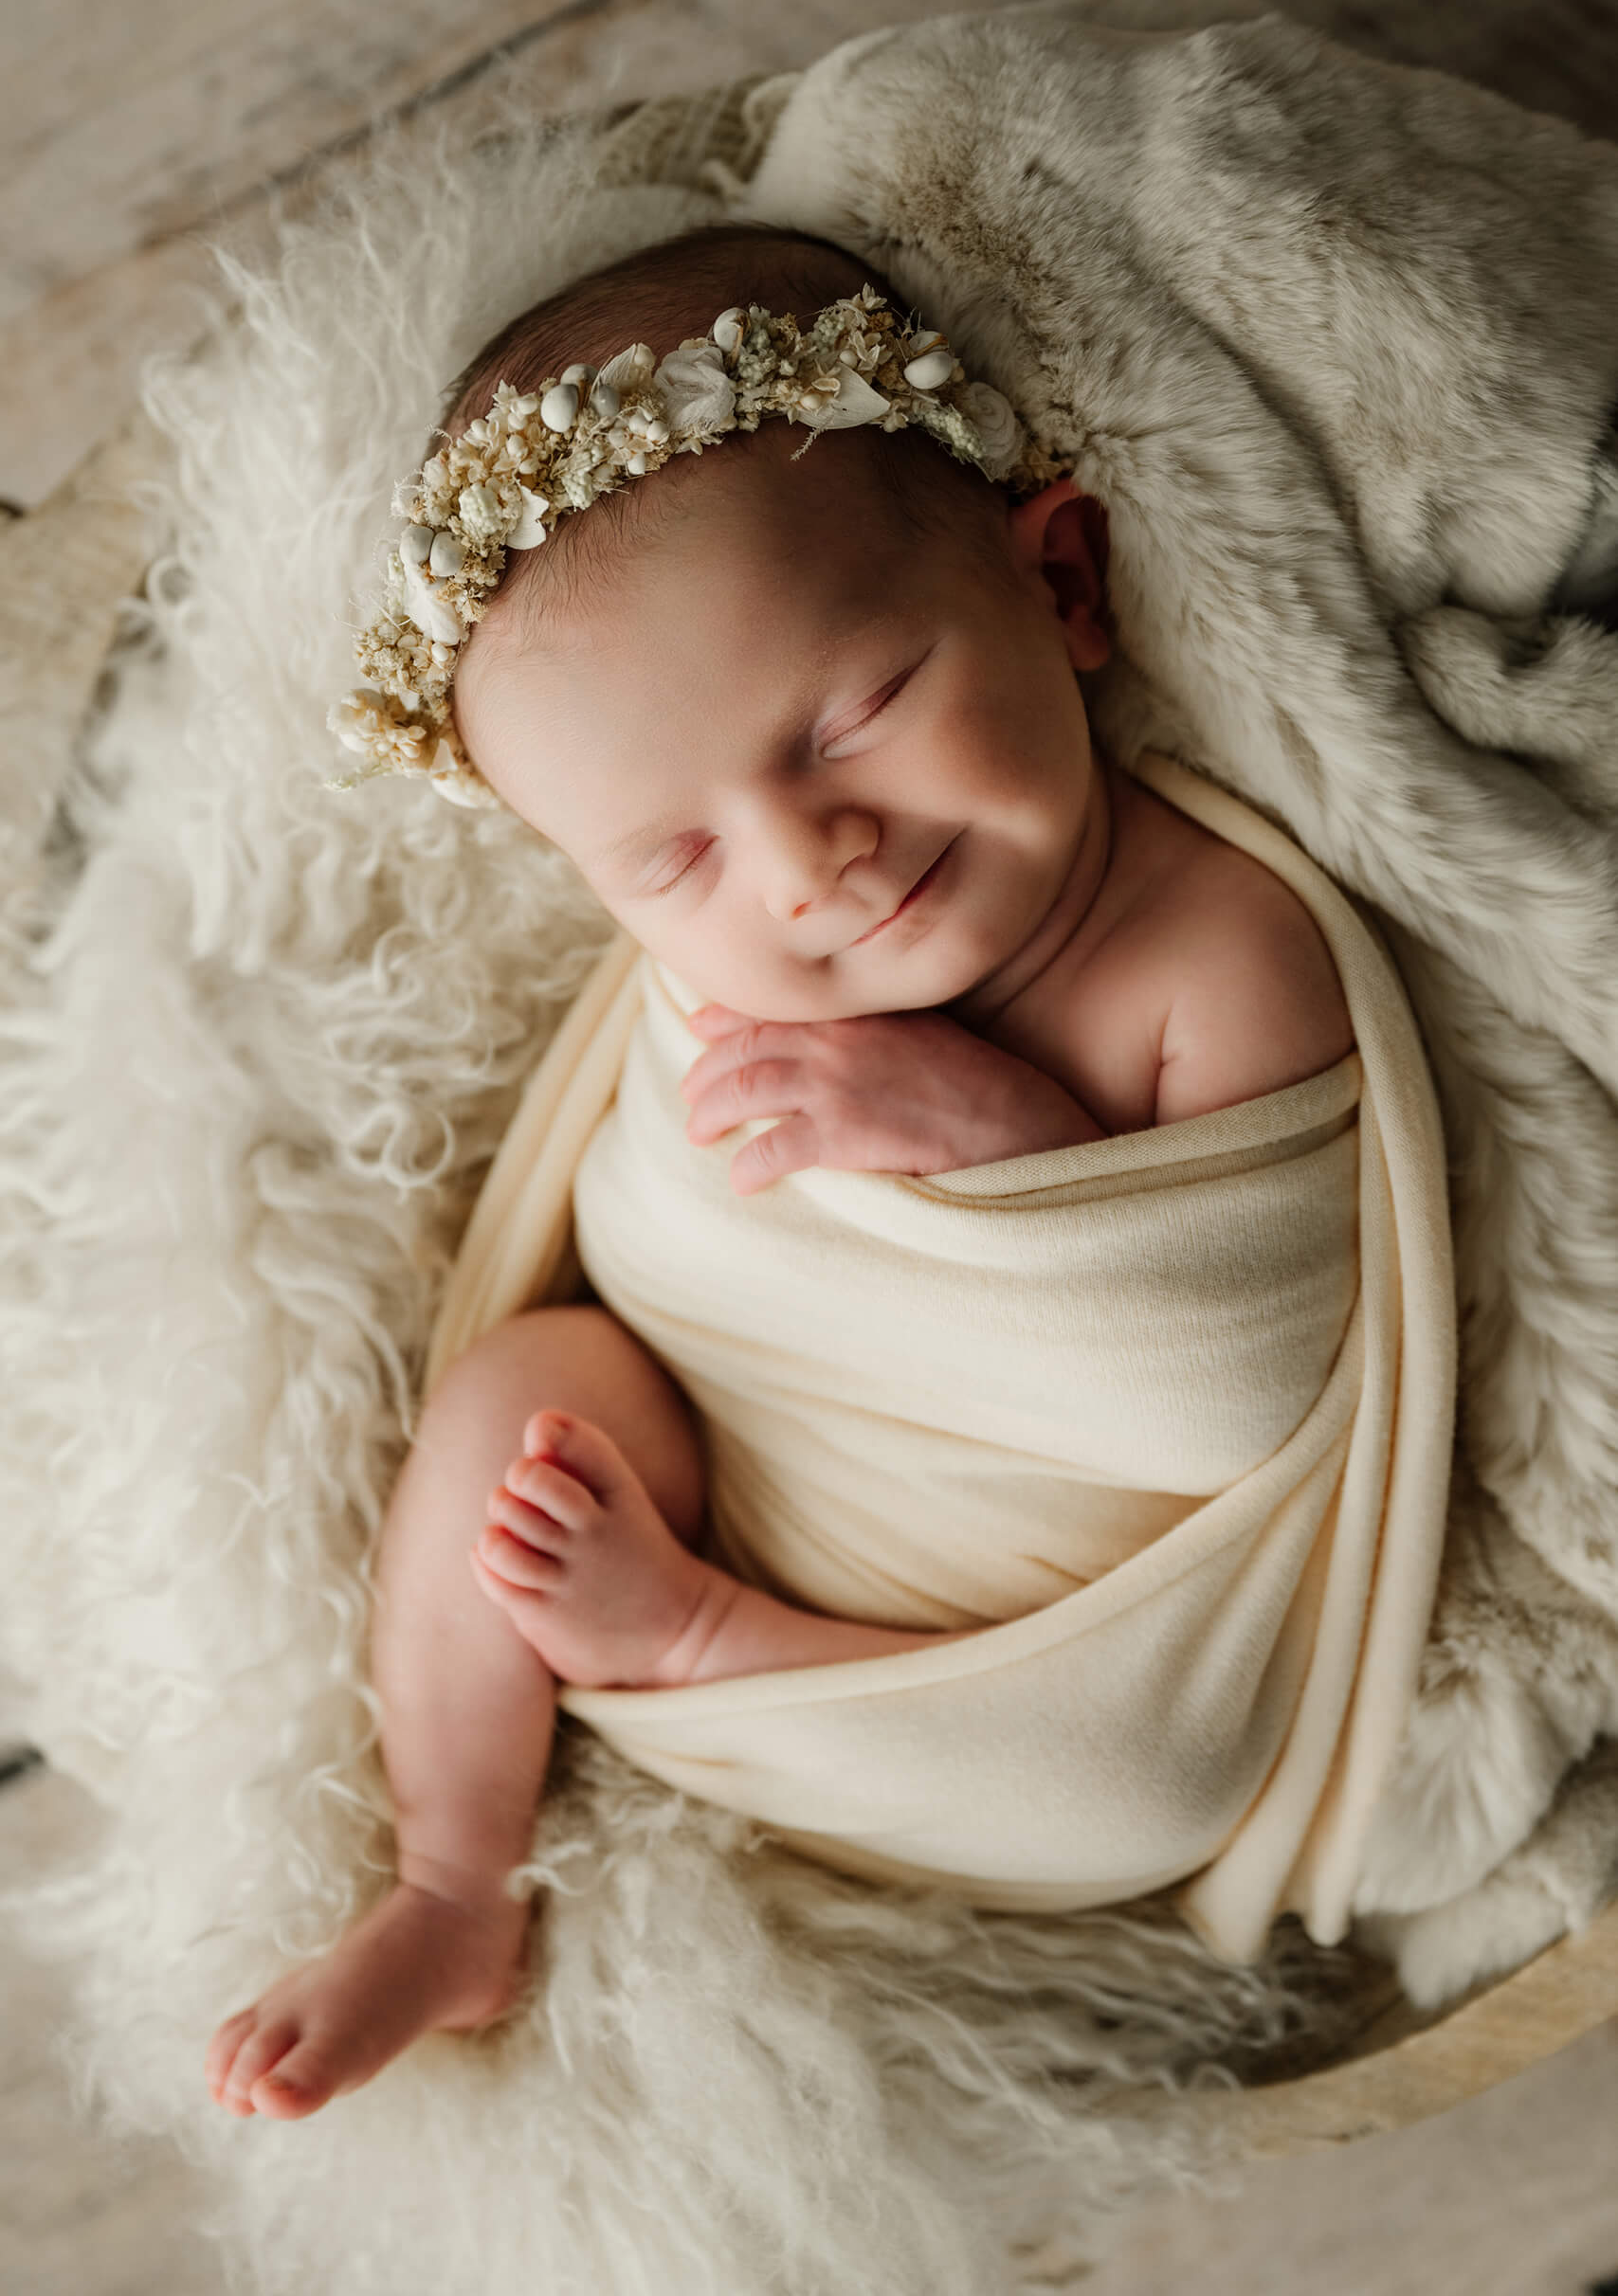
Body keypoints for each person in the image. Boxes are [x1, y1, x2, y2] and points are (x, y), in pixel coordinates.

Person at [205, 223, 1353, 2121]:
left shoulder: (1202, 949)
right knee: (524, 1393)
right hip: (723, 1438)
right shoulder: (710, 975)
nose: (803, 855)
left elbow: (1240, 1380)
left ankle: (701, 1648)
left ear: (1058, 580)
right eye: (670, 858)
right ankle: (451, 1874)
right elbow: (655, 1241)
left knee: (1150, 1782)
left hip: (1039, 1639)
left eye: (845, 717)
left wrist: (996, 1139)